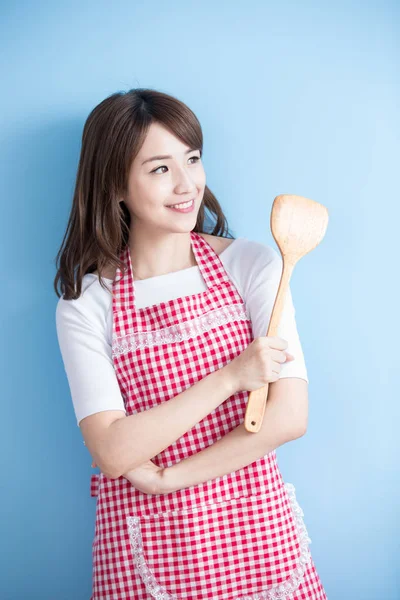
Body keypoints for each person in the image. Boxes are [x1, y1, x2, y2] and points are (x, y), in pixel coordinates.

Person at [54, 88, 327, 600]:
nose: (187, 185)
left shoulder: (253, 265)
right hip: (143, 544)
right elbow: (113, 451)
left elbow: (289, 418)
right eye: (159, 168)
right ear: (115, 183)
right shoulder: (87, 303)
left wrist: (169, 478)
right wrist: (230, 378)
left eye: (193, 159)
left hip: (257, 536)